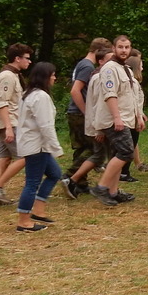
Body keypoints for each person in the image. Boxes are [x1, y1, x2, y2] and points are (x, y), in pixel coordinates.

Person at [90, 35, 144, 206]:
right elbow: (110, 95)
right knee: (126, 152)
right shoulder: (109, 69)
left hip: (126, 118)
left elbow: (132, 96)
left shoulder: (126, 69)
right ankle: (101, 187)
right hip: (114, 120)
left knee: (117, 154)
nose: (124, 50)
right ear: (114, 48)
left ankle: (112, 192)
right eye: (120, 47)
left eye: (127, 47)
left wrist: (138, 116)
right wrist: (116, 118)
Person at [14, 61, 63, 232]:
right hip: (37, 146)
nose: (55, 78)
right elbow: (45, 125)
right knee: (32, 183)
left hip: (36, 144)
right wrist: (56, 147)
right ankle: (24, 221)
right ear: (45, 77)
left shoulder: (29, 94)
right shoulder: (40, 97)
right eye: (53, 75)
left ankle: (38, 210)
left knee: (55, 174)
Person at [0, 43, 33, 205]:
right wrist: (8, 127)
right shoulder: (7, 76)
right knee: (25, 156)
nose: (29, 61)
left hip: (9, 123)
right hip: (10, 123)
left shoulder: (14, 75)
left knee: (4, 158)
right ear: (17, 58)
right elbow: (2, 103)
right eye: (27, 58)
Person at [64, 37, 110, 192]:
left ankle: (80, 183)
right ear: (98, 51)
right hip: (79, 113)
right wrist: (86, 112)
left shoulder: (82, 64)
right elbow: (75, 90)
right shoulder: (87, 66)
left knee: (81, 148)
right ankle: (70, 176)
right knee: (94, 149)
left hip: (75, 112)